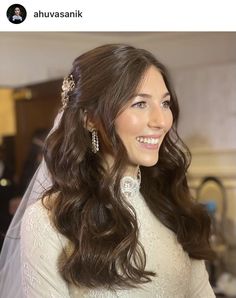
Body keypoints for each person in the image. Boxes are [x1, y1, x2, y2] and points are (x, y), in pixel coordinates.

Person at [0, 44, 216, 297]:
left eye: (165, 103)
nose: (161, 121)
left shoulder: (173, 203)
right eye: (140, 104)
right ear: (90, 118)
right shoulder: (50, 219)